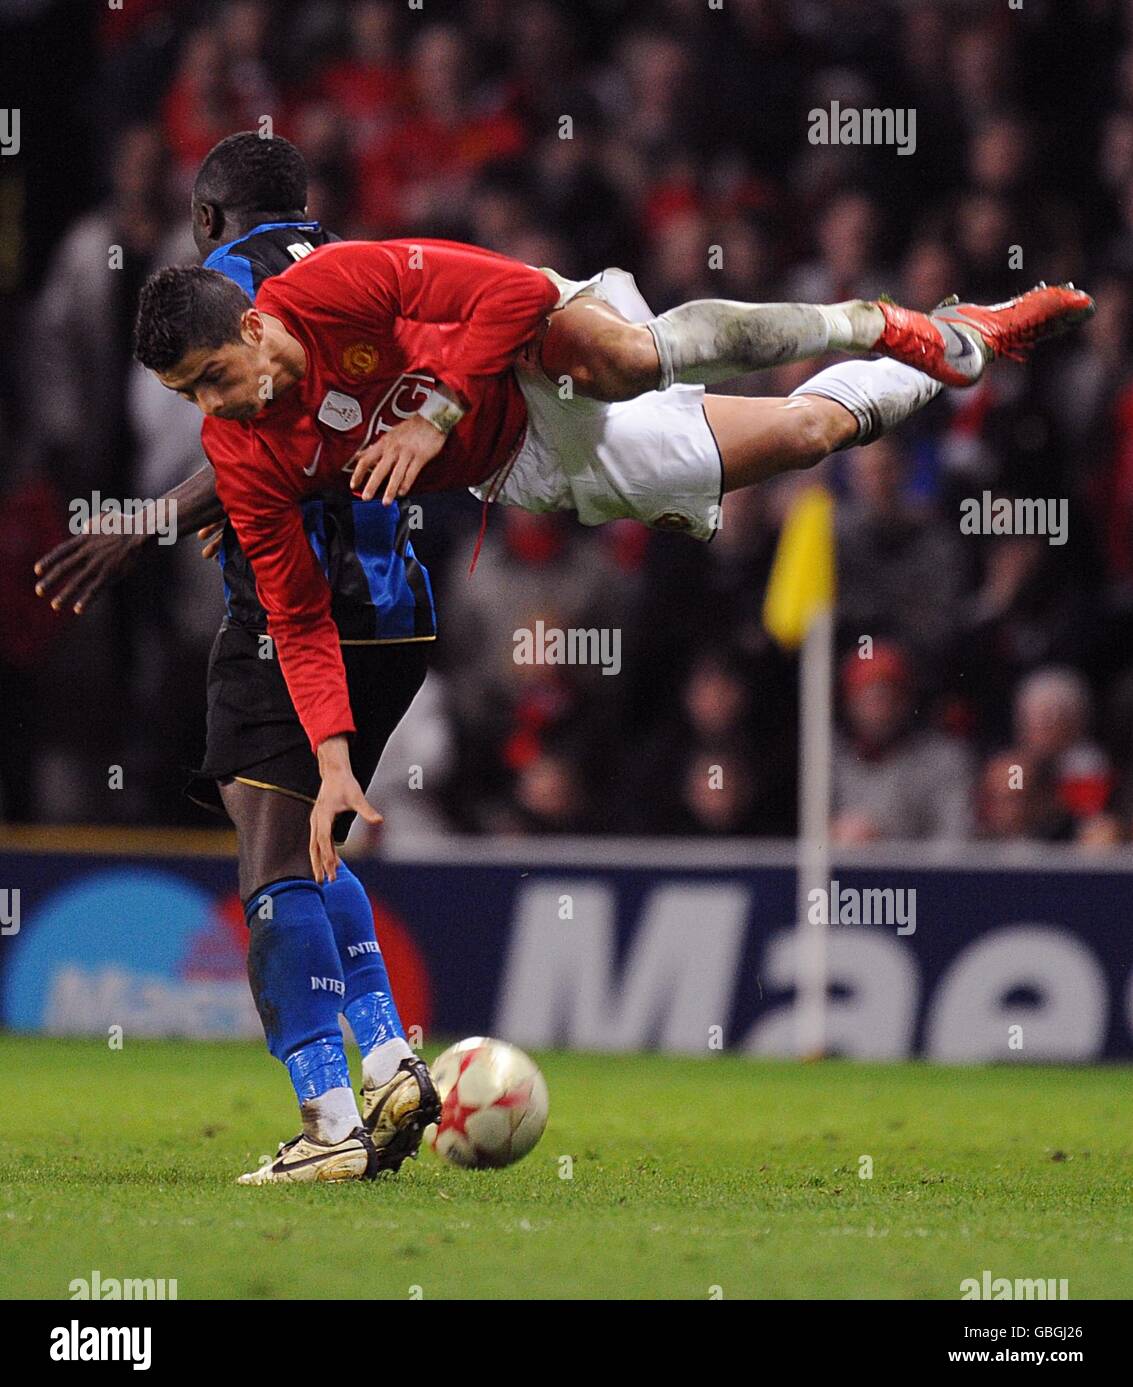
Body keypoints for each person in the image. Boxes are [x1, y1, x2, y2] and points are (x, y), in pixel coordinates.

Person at [130, 224, 1091, 885]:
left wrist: (432, 416)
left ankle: (875, 321)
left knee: (632, 357)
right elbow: (296, 617)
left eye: (215, 376)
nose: (214, 406)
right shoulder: (243, 452)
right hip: (538, 459)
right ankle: (964, 336)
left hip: (521, 348)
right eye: (190, 396)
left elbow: (505, 290)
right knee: (806, 436)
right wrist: (335, 761)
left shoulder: (330, 287)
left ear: (253, 327)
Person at [34, 134, 440, 1187]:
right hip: (400, 610)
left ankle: (327, 1115)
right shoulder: (354, 268)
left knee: (266, 860)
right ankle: (392, 1062)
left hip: (298, 610)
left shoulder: (226, 292)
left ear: (209, 218)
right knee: (309, 842)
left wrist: (140, 521)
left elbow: (258, 438)